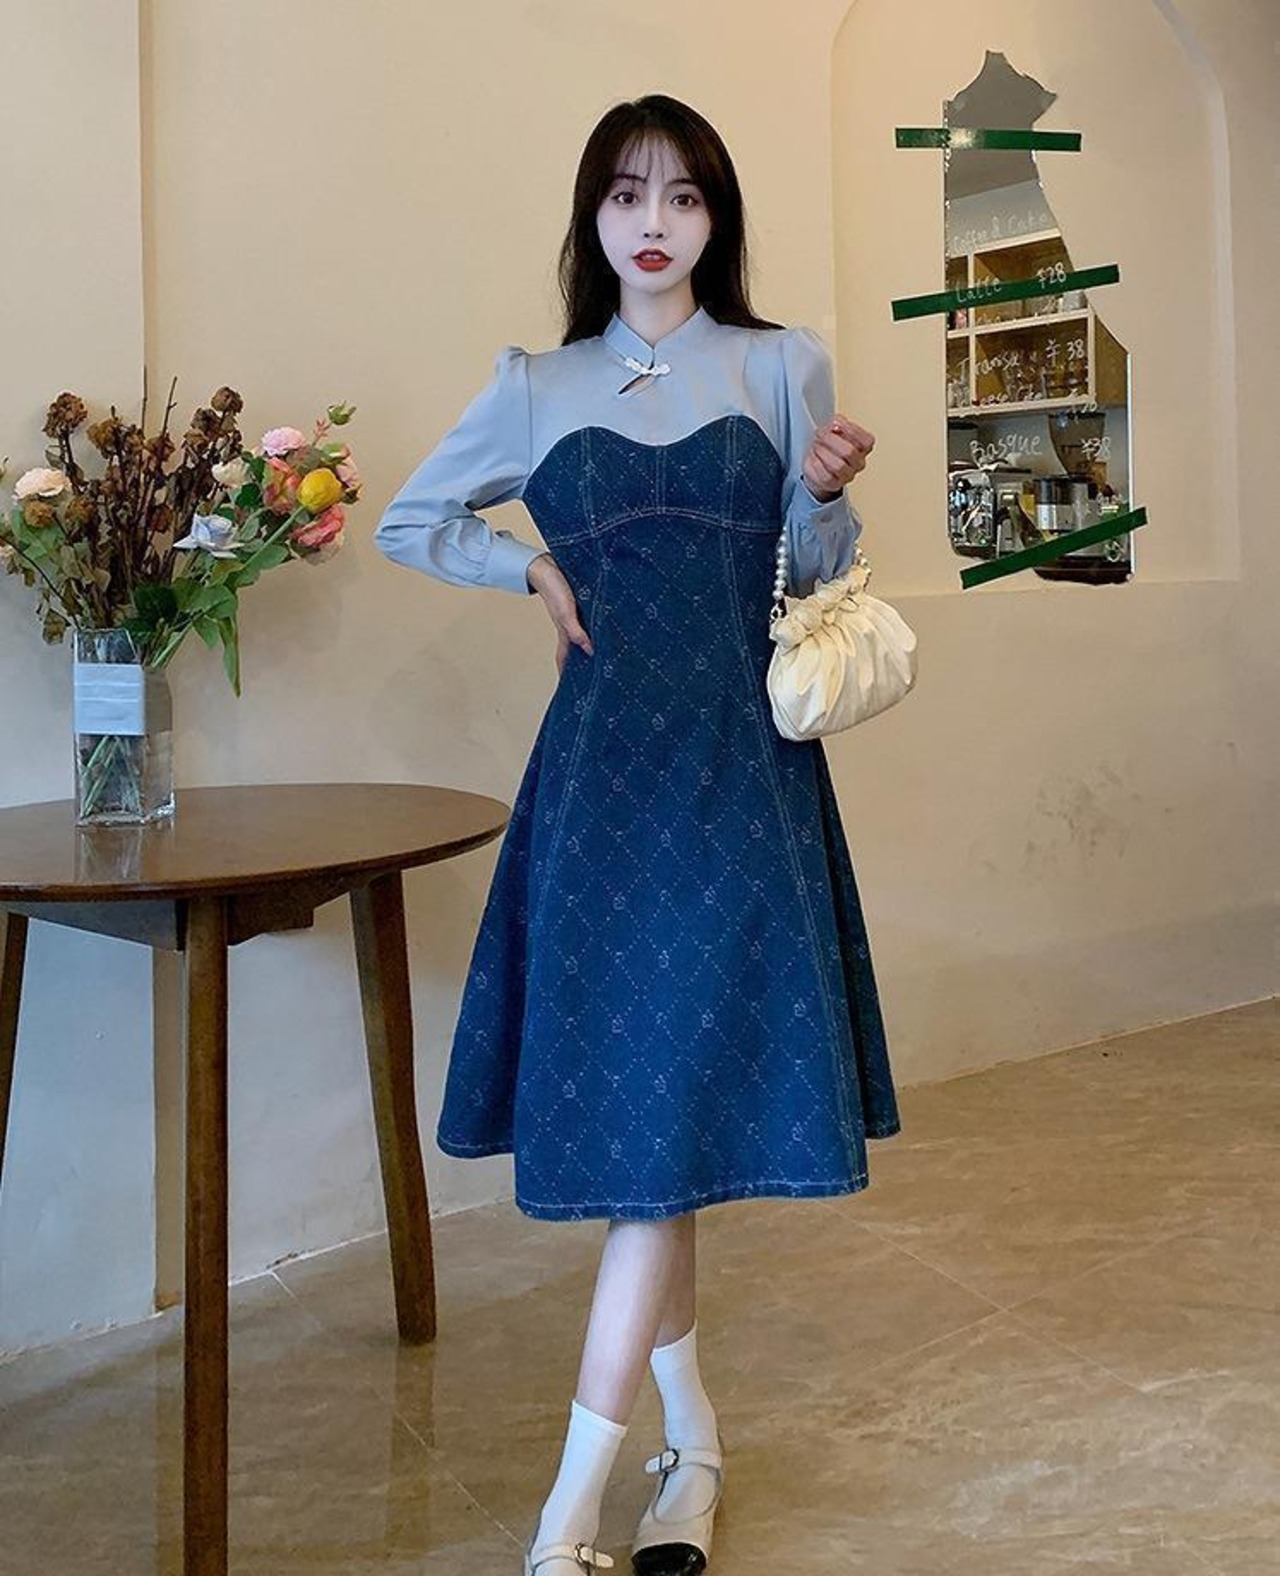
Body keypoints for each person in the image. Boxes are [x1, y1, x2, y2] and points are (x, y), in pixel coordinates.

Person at [375, 93, 902, 1576]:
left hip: (743, 787)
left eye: (682, 195)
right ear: (592, 217)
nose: (653, 222)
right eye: (625, 194)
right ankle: (695, 1454)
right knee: (651, 1144)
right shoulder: (533, 385)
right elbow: (412, 519)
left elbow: (818, 578)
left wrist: (823, 496)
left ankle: (566, 1523)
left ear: (715, 218)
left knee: (657, 1145)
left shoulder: (782, 363)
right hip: (600, 793)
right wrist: (528, 572)